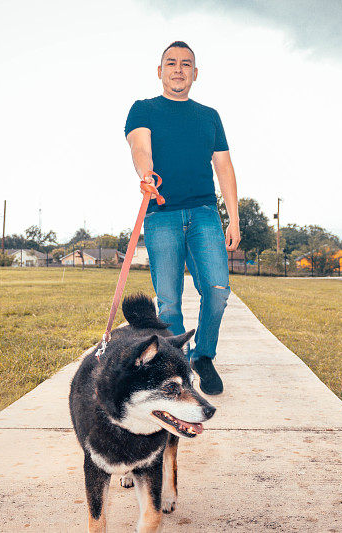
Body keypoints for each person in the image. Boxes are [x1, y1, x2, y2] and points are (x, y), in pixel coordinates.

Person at [124, 41, 240, 395]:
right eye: (171, 63)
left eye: (186, 64)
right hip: (162, 215)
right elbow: (140, 147)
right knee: (169, 301)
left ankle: (204, 355)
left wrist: (233, 218)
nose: (178, 69)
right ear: (160, 71)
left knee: (217, 290)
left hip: (204, 213)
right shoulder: (143, 109)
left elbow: (223, 165)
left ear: (195, 73)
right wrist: (146, 174)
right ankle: (180, 365)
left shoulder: (209, 116)